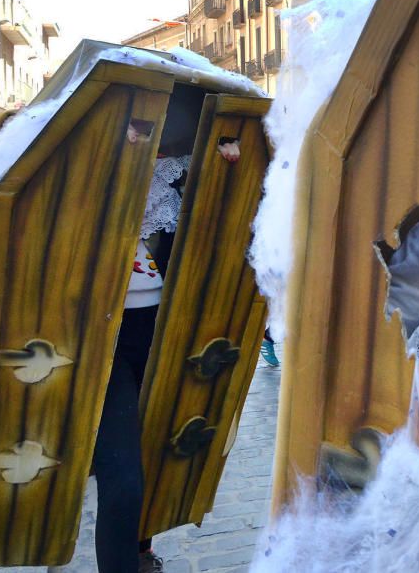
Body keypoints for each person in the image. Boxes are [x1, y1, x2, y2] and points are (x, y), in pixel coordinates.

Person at [88, 127, 239, 573]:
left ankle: (139, 551)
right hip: (103, 348)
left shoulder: (176, 177)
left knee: (155, 456)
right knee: (123, 483)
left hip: (164, 338)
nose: (138, 132)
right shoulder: (87, 175)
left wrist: (229, 157)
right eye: (131, 123)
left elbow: (230, 215)